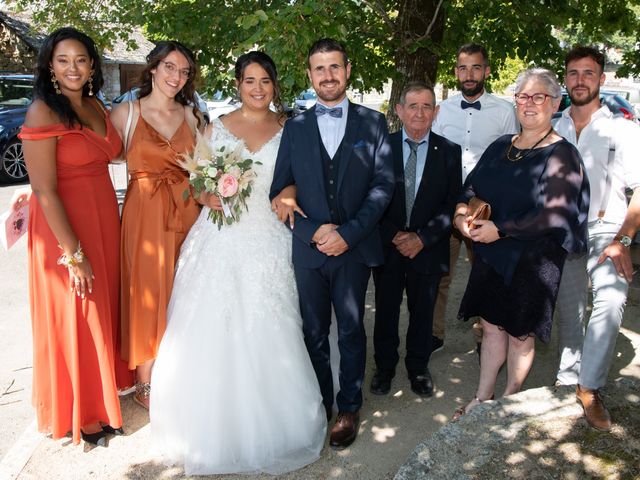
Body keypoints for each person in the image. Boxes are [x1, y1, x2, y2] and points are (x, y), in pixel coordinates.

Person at [150, 51, 326, 475]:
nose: (258, 88)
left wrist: (291, 193)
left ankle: (279, 420)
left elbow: (307, 177)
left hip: (269, 238)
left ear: (275, 84)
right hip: (219, 236)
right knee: (212, 325)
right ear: (238, 84)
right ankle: (211, 423)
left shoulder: (292, 128)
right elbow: (196, 181)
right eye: (250, 80)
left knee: (274, 323)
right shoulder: (215, 126)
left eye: (266, 80)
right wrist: (206, 194)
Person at [270, 38, 394, 449]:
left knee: (352, 329)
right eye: (319, 68)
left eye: (334, 67)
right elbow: (280, 191)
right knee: (314, 331)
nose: (328, 75)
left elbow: (382, 187)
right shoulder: (295, 127)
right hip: (308, 250)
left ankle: (349, 406)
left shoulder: (373, 124)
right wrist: (311, 233)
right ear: (309, 74)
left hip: (353, 249)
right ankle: (320, 401)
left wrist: (347, 234)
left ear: (348, 70)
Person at [450, 68, 589, 420]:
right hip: (493, 255)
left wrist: (502, 228)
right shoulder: (501, 145)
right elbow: (470, 186)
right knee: (492, 325)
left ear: (556, 103)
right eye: (522, 96)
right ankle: (483, 398)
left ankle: (508, 403)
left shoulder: (563, 154)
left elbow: (554, 214)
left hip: (532, 260)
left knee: (518, 333)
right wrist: (460, 213)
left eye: (538, 96)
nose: (529, 103)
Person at [18, 27, 131, 446]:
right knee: (77, 312)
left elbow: (116, 151)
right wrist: (74, 253)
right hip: (64, 229)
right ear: (50, 65)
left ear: (92, 66)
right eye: (63, 60)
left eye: (81, 60)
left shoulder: (95, 105)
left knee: (101, 309)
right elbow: (44, 190)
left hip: (102, 216)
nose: (73, 68)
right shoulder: (41, 112)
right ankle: (81, 412)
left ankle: (104, 398)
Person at [111, 41, 202, 410]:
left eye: (183, 72)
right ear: (153, 69)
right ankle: (145, 381)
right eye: (169, 67)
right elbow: (94, 160)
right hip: (144, 211)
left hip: (186, 208)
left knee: (184, 289)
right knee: (146, 291)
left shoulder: (193, 116)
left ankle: (182, 371)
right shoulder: (125, 114)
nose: (176, 77)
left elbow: (202, 169)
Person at [554, 46, 640, 431]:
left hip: (608, 229)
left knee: (611, 298)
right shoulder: (552, 127)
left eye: (588, 73)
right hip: (563, 232)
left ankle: (590, 388)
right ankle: (567, 379)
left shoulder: (623, 128)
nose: (580, 80)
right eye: (573, 73)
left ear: (602, 79)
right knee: (569, 311)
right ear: (565, 79)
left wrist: (624, 238)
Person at [371, 81, 461, 397]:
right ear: (399, 110)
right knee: (385, 310)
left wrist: (422, 238)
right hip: (389, 245)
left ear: (435, 112)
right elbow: (371, 198)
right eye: (413, 106)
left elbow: (452, 203)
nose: (419, 113)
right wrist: (395, 235)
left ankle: (418, 368)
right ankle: (384, 368)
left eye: (426, 106)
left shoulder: (450, 152)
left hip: (429, 246)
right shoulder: (381, 147)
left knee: (424, 311)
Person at [431, 43, 519, 353]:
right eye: (463, 68)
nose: (469, 74)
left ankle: (487, 336)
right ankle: (434, 334)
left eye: (476, 67)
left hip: (485, 206)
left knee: (487, 275)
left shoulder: (505, 111)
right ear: (456, 72)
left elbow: (513, 161)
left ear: (487, 71)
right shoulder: (442, 111)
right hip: (447, 203)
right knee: (440, 272)